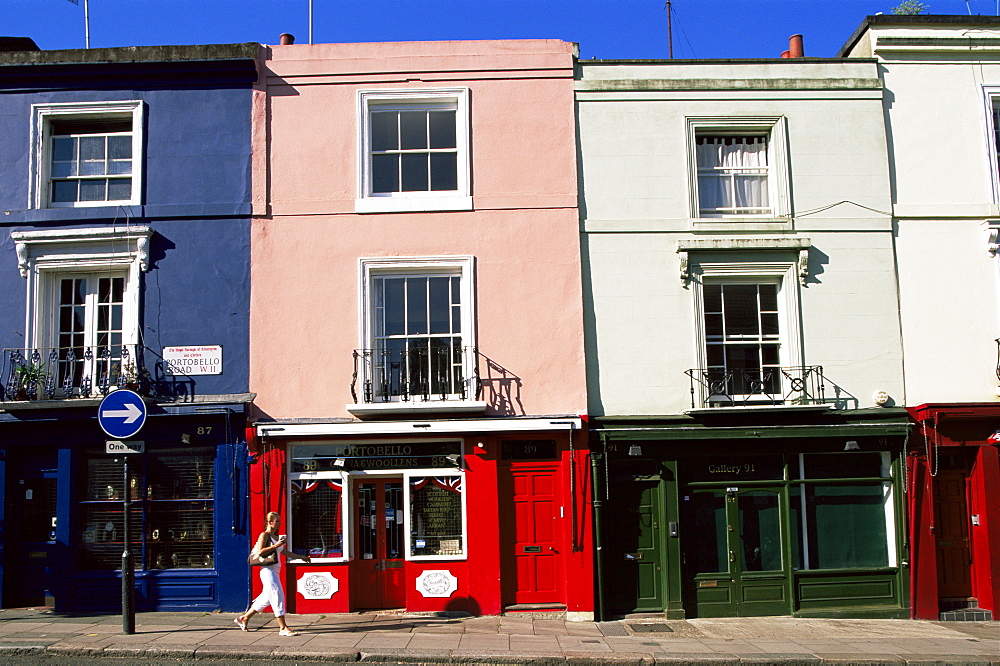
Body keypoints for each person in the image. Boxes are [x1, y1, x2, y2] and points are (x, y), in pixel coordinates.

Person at [234, 511, 310, 636]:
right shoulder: (264, 535)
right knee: (277, 595)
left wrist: (302, 557)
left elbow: (285, 552)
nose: (279, 523)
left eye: (279, 520)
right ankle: (283, 627)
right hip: (267, 570)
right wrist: (277, 545)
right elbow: (260, 552)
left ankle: (244, 618)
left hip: (275, 570)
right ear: (270, 522)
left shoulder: (276, 536)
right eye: (277, 521)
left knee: (266, 597)